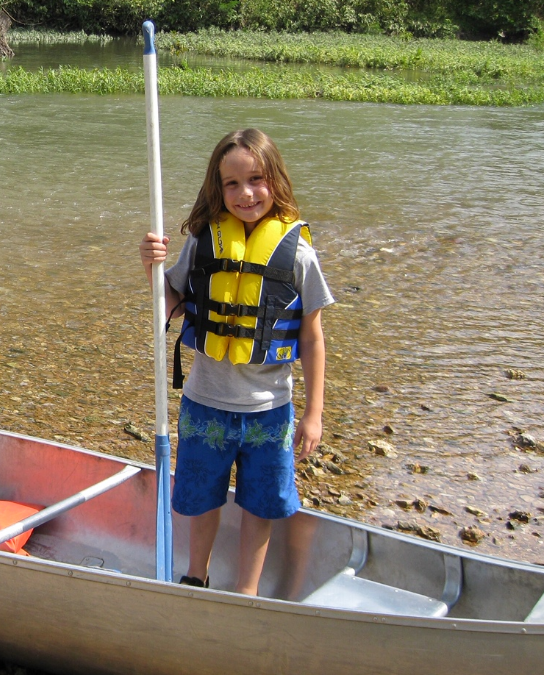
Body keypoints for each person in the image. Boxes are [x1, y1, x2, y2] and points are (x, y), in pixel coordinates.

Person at [139, 128, 333, 596]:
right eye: (231, 184)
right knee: (200, 498)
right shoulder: (203, 244)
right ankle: (196, 575)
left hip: (269, 410)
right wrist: (151, 269)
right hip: (205, 402)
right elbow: (165, 305)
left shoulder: (300, 255)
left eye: (257, 180)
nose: (245, 194)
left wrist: (313, 414)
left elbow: (312, 335)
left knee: (261, 505)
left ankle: (246, 591)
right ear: (217, 188)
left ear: (275, 181)